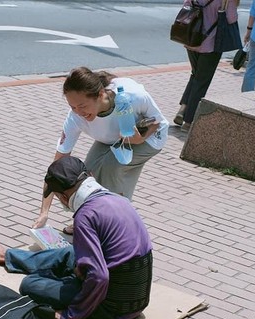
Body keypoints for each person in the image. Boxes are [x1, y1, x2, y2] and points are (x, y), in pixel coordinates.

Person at [0, 156, 153, 319]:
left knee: (30, 284)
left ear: (64, 197)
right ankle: (5, 256)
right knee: (70, 252)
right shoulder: (117, 200)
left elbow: (99, 277)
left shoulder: (86, 216)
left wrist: (72, 314)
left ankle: (30, 267)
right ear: (90, 175)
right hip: (137, 301)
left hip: (113, 308)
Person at [32, 66, 169, 234]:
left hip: (150, 138)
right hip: (113, 138)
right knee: (85, 176)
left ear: (100, 95)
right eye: (73, 106)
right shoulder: (75, 117)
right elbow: (56, 168)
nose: (79, 112)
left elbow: (158, 121)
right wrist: (44, 212)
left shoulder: (132, 96)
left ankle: (115, 224)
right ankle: (86, 220)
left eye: (82, 106)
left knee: (112, 166)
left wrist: (140, 138)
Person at [173, 0, 240, 131]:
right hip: (210, 43)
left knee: (195, 75)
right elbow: (231, 18)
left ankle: (183, 109)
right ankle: (188, 121)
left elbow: (186, 7)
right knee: (202, 81)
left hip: (191, 38)